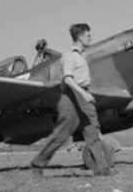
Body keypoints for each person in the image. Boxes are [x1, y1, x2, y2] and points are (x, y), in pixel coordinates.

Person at [30, 23, 114, 177]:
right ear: (80, 37)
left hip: (83, 95)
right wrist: (83, 94)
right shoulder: (69, 55)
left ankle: (102, 169)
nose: (91, 38)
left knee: (92, 130)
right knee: (63, 133)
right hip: (71, 96)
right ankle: (38, 162)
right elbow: (67, 79)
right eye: (88, 35)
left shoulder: (83, 55)